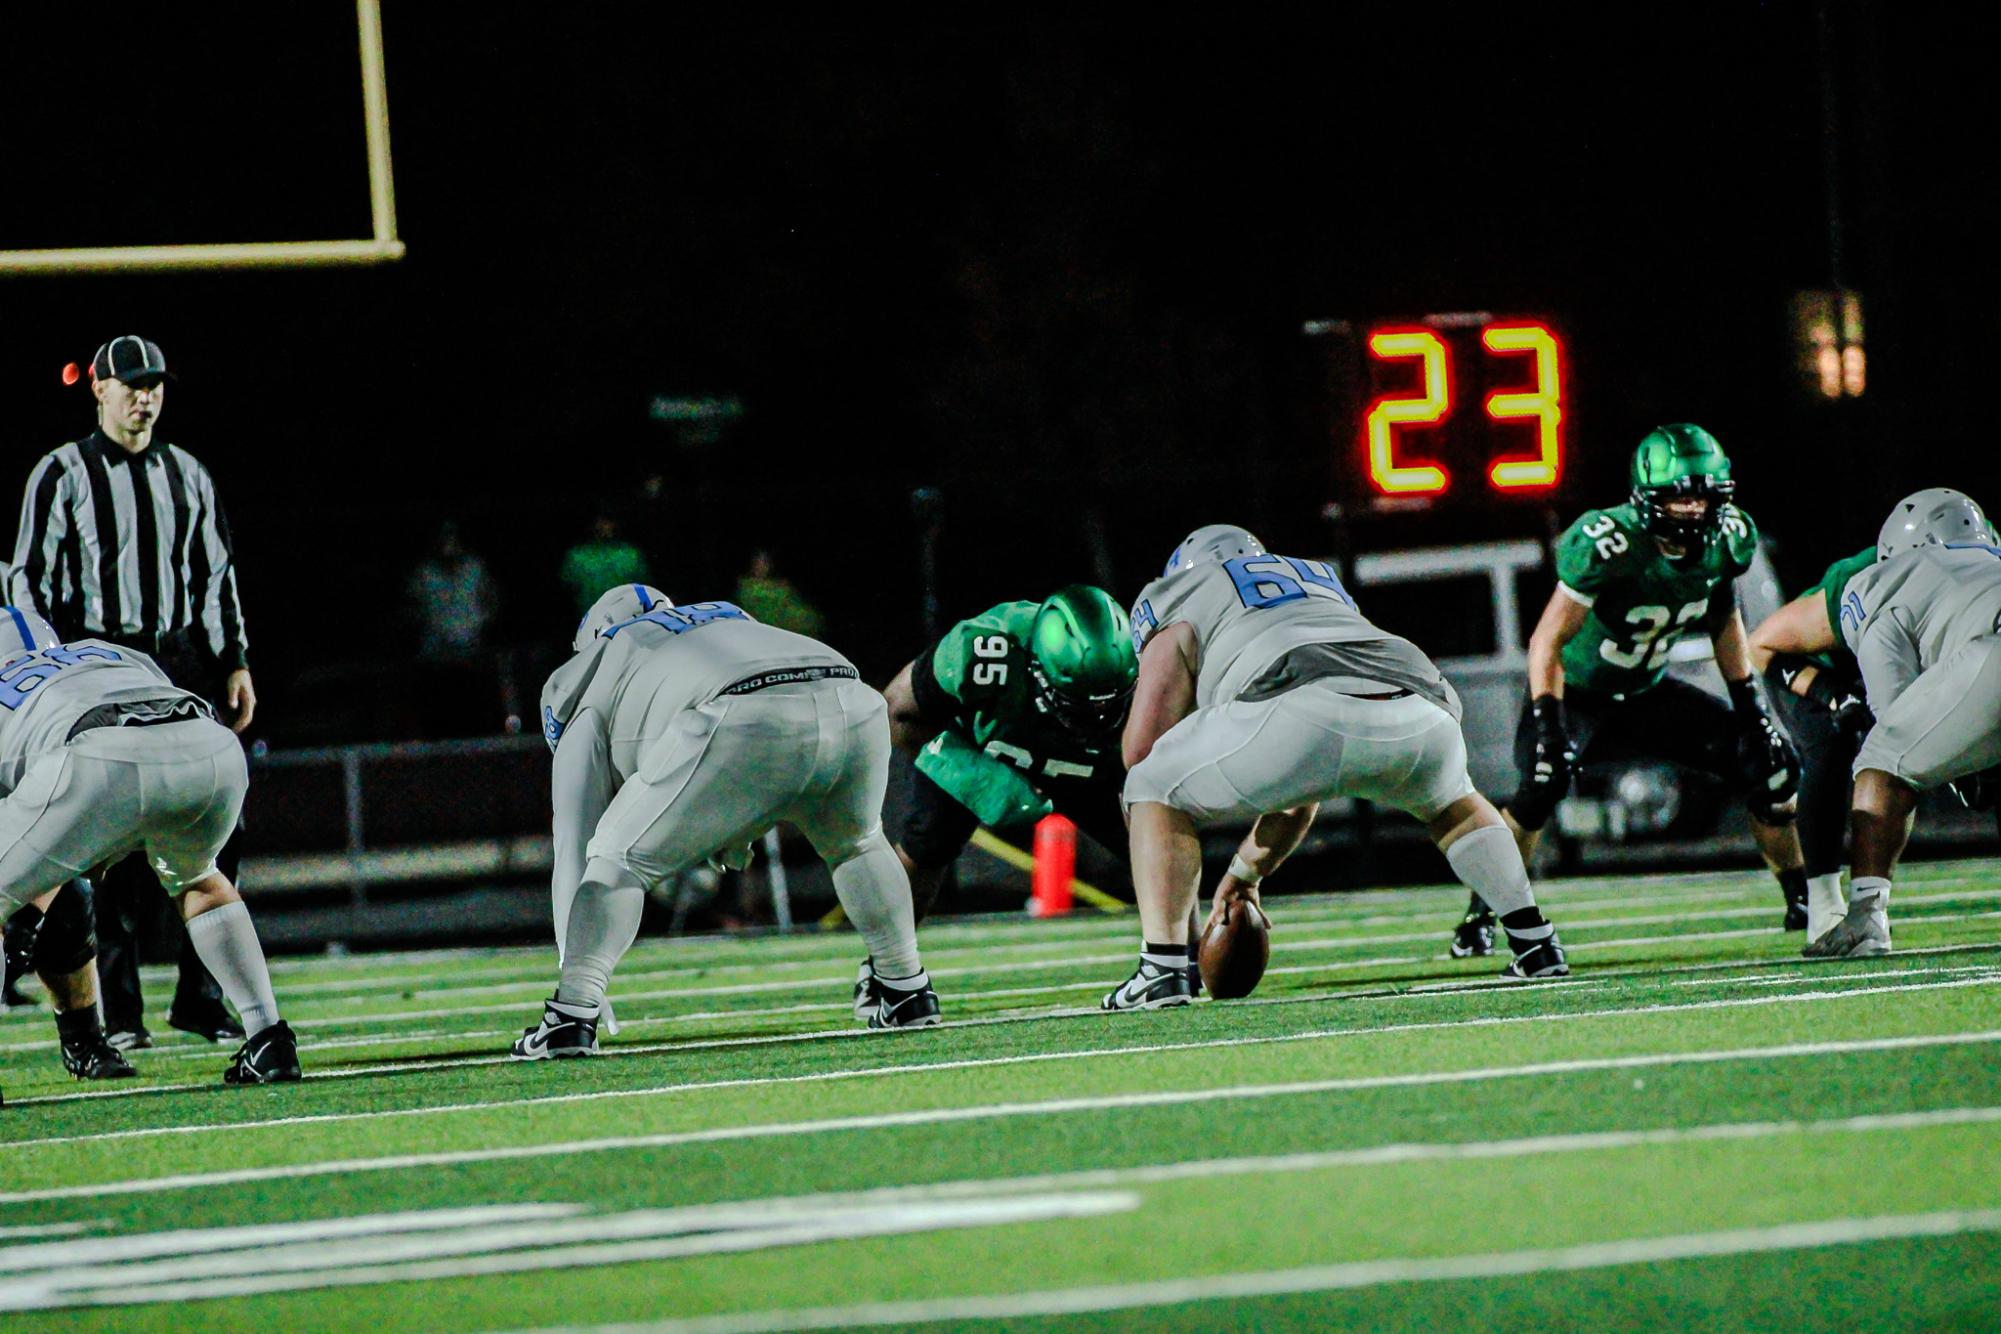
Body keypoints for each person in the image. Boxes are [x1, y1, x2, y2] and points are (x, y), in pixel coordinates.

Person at [1107, 525, 1568, 1010]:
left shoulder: (1180, 590)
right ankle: (1536, 943)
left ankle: (1161, 968)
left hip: (1295, 700)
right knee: (1455, 804)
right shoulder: (1315, 576)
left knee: (1148, 783)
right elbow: (1300, 792)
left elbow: (1143, 749)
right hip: (1420, 701)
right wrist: (1244, 875)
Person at [512, 583, 937, 1057]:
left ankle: (571, 1015)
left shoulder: (592, 666)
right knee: (858, 843)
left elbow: (575, 836)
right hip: (851, 695)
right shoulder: (724, 616)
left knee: (614, 857)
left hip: (740, 711)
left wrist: (573, 962)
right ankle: (906, 988)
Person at [1453, 424, 1807, 956]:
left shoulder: (1729, 539)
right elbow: (1548, 637)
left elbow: (1724, 621)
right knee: (1539, 787)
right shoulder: (1609, 542)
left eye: (1702, 498)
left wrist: (1752, 711)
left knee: (1773, 766)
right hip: (1577, 692)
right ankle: (1481, 914)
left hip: (1646, 690)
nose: (1692, 511)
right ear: (1647, 497)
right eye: (1679, 498)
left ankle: (1800, 895)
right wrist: (1550, 722)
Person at [8, 335, 255, 1049]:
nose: (145, 396)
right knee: (104, 839)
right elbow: (27, 576)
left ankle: (200, 997)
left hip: (176, 660)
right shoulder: (62, 471)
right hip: (96, 660)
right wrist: (48, 665)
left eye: (155, 385)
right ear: (99, 389)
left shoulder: (189, 473)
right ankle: (119, 1012)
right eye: (131, 384)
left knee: (216, 826)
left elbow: (216, 574)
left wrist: (233, 660)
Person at [0, 605, 297, 1083]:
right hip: (210, 748)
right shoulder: (103, 651)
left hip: (97, 756)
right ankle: (268, 1040)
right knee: (199, 878)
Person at [872, 585, 1140, 1007]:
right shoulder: (984, 649)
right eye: (1078, 702)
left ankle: (1172, 957)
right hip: (992, 741)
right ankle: (888, 968)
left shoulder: (1146, 655)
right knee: (928, 839)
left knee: (1153, 834)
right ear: (1036, 667)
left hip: (1087, 759)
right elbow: (897, 712)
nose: (1096, 715)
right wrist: (978, 774)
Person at [1805, 489, 2001, 958]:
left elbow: (1894, 708)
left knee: (1881, 761)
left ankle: (1866, 917)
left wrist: (1959, 766)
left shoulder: (1880, 580)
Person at [1746, 543, 1880, 940]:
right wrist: (1834, 696)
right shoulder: (1857, 583)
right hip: (1814, 670)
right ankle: (1823, 904)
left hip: (1890, 672)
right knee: (1831, 747)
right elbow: (1763, 645)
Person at [559, 514, 649, 618]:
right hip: (588, 620)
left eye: (608, 522)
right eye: (600, 522)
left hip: (624, 619)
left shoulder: (631, 555)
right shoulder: (577, 556)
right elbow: (567, 589)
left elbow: (644, 588)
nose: (604, 527)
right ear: (592, 525)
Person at [733, 549, 825, 638]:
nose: (761, 566)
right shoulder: (745, 584)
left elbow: (791, 602)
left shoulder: (780, 585)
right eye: (758, 562)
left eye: (764, 562)